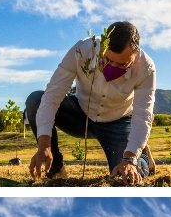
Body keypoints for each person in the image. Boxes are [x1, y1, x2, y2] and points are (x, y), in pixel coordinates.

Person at [25, 21, 156, 184]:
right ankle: (56, 168)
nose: (113, 66)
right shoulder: (82, 50)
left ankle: (139, 154)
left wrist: (129, 160)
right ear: (102, 46)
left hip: (118, 123)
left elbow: (143, 115)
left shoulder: (147, 69)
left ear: (135, 54)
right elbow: (52, 95)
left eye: (122, 64)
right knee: (35, 100)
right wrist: (44, 145)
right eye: (107, 59)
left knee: (126, 177)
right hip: (81, 116)